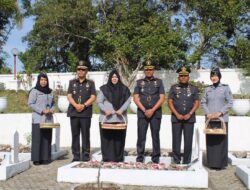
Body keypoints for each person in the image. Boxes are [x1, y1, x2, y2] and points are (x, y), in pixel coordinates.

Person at [133, 60, 165, 163]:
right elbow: (135, 98)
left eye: (150, 69)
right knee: (141, 136)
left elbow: (162, 98)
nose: (148, 71)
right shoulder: (139, 82)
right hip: (142, 114)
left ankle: (155, 158)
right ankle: (140, 158)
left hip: (155, 114)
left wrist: (152, 110)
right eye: (146, 69)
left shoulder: (159, 82)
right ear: (144, 70)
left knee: (155, 136)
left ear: (153, 70)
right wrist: (144, 110)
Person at [201, 67, 233, 169]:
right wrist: (207, 113)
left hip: (222, 120)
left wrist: (221, 112)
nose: (213, 78)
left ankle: (221, 164)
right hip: (210, 119)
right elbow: (203, 102)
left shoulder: (225, 88)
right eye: (212, 76)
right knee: (211, 142)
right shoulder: (207, 89)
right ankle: (212, 163)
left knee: (221, 142)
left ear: (219, 76)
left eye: (215, 75)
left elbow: (230, 102)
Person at [168, 66, 200, 164]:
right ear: (178, 77)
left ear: (188, 77)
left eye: (185, 75)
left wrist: (190, 114)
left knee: (188, 141)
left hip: (189, 119)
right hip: (176, 118)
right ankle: (176, 161)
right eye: (181, 75)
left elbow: (197, 102)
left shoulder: (193, 89)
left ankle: (187, 161)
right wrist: (176, 114)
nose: (183, 77)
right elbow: (169, 102)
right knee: (176, 140)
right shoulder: (173, 88)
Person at [97, 69, 131, 162]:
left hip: (120, 119)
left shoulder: (124, 89)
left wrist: (121, 110)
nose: (114, 79)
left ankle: (118, 158)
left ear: (118, 78)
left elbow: (128, 101)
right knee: (107, 140)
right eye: (112, 77)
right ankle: (107, 159)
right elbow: (99, 102)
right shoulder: (104, 89)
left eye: (116, 77)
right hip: (107, 118)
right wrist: (105, 110)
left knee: (118, 140)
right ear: (110, 78)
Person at [67, 60, 96, 162]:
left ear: (86, 71)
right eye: (79, 69)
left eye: (83, 69)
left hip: (85, 113)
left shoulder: (91, 83)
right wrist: (75, 105)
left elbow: (93, 97)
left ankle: (86, 155)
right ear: (77, 71)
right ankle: (76, 155)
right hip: (74, 112)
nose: (80, 71)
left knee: (85, 134)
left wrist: (83, 105)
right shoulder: (72, 82)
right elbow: (69, 96)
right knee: (75, 135)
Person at [28, 72, 54, 165]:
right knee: (37, 138)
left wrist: (51, 110)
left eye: (45, 80)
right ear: (39, 81)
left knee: (46, 138)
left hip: (48, 119)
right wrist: (42, 110)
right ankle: (36, 159)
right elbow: (30, 104)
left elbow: (53, 104)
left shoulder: (50, 91)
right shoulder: (34, 91)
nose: (43, 82)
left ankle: (45, 158)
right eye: (41, 80)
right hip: (38, 119)